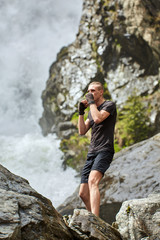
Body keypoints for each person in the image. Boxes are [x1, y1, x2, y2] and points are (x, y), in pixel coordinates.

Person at [78, 81, 117, 216]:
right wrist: (81, 112)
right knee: (82, 193)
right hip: (92, 151)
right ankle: (91, 219)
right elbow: (82, 131)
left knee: (93, 181)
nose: (90, 93)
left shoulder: (109, 105)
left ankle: (96, 219)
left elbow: (98, 118)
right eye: (89, 90)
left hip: (105, 149)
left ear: (101, 92)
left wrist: (91, 104)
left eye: (93, 90)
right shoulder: (91, 111)